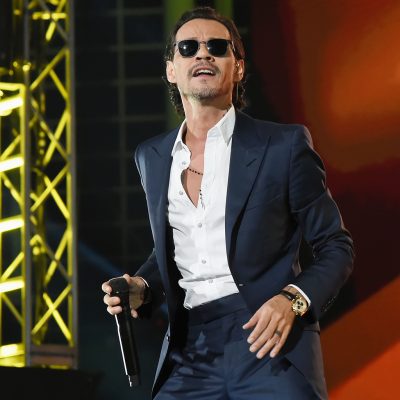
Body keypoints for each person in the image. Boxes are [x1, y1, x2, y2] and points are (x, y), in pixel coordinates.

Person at [102, 6, 354, 400]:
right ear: (171, 69)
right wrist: (143, 286)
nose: (203, 53)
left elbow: (336, 246)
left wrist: (292, 300)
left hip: (267, 339)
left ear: (237, 68)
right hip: (189, 347)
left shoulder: (283, 146)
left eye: (217, 47)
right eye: (188, 47)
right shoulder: (151, 156)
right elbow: (175, 247)